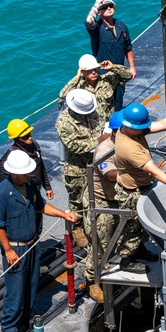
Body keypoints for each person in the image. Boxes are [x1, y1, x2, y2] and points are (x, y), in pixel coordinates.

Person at [0, 150, 77, 332]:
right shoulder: (2, 194)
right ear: (13, 173)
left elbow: (42, 206)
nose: (30, 175)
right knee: (16, 288)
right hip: (16, 249)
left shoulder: (29, 186)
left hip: (32, 245)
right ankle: (10, 325)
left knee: (31, 284)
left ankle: (25, 318)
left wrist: (63, 214)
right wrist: (8, 250)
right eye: (26, 173)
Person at [114, 103, 166, 273]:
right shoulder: (129, 148)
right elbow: (153, 170)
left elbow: (159, 125)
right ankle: (126, 260)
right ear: (133, 128)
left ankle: (139, 250)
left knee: (141, 228)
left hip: (141, 186)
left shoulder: (129, 130)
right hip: (131, 193)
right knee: (132, 228)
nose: (144, 129)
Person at [83, 111, 124, 303]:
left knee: (118, 237)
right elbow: (110, 174)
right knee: (99, 243)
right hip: (101, 201)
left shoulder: (127, 143)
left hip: (118, 198)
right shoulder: (104, 150)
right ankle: (92, 279)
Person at [55, 88, 104, 246]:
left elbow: (103, 124)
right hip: (78, 168)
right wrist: (101, 141)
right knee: (77, 200)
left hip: (98, 162)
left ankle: (97, 224)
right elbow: (74, 146)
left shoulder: (96, 111)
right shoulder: (63, 122)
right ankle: (77, 227)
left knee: (98, 195)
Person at [85, 0, 136, 111]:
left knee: (118, 101)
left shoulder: (121, 25)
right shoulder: (96, 29)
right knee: (105, 105)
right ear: (99, 12)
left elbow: (128, 47)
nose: (108, 8)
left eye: (110, 6)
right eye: (104, 7)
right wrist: (97, 3)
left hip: (119, 72)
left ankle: (116, 126)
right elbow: (89, 20)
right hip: (104, 75)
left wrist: (132, 67)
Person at [59, 54, 133, 123]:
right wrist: (77, 77)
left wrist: (113, 67)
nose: (93, 72)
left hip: (108, 124)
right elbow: (63, 96)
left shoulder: (107, 81)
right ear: (83, 72)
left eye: (95, 69)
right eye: (89, 70)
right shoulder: (78, 88)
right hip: (92, 128)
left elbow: (128, 75)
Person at [0, 119, 54, 200]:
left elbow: (40, 166)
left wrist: (47, 187)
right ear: (17, 139)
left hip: (36, 188)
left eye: (29, 134)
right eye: (25, 137)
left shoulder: (34, 145)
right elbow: (5, 181)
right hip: (23, 193)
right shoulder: (11, 157)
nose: (30, 138)